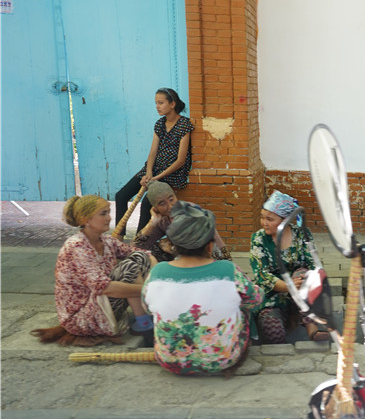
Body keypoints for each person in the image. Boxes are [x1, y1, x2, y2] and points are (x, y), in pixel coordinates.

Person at [141, 202, 264, 376]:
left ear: (173, 245)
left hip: (170, 361)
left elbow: (147, 307)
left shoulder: (158, 272)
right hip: (223, 359)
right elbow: (256, 300)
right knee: (243, 303)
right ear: (209, 246)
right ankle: (245, 342)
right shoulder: (228, 270)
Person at [32, 195, 155, 346]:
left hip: (102, 303)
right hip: (83, 317)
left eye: (108, 212)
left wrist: (157, 277)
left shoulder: (106, 241)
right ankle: (144, 323)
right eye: (103, 214)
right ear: (86, 219)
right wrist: (149, 290)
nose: (109, 218)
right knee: (128, 267)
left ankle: (142, 318)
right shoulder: (76, 247)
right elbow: (105, 288)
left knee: (139, 257)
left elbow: (144, 254)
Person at [249, 190, 330, 343]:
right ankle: (284, 337)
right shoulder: (259, 239)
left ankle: (312, 330)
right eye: (262, 217)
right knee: (272, 330)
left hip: (300, 288)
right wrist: (287, 286)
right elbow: (261, 274)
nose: (264, 223)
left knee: (303, 272)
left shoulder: (301, 234)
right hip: (273, 293)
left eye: (270, 219)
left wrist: (308, 280)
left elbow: (313, 263)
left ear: (285, 220)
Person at [115, 87, 193, 237]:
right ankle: (119, 238)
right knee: (121, 196)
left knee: (146, 203)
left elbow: (180, 161)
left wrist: (156, 178)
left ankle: (139, 241)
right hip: (153, 170)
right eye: (156, 103)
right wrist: (149, 172)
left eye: (161, 103)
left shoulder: (184, 125)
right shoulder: (159, 124)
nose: (157, 106)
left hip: (171, 174)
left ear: (172, 104)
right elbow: (152, 152)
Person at [132, 180, 231, 262]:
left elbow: (211, 242)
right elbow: (135, 248)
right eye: (162, 204)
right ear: (155, 208)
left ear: (176, 196)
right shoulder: (162, 220)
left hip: (203, 257)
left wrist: (171, 247)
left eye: (171, 199)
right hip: (182, 258)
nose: (170, 206)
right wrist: (152, 222)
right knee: (148, 253)